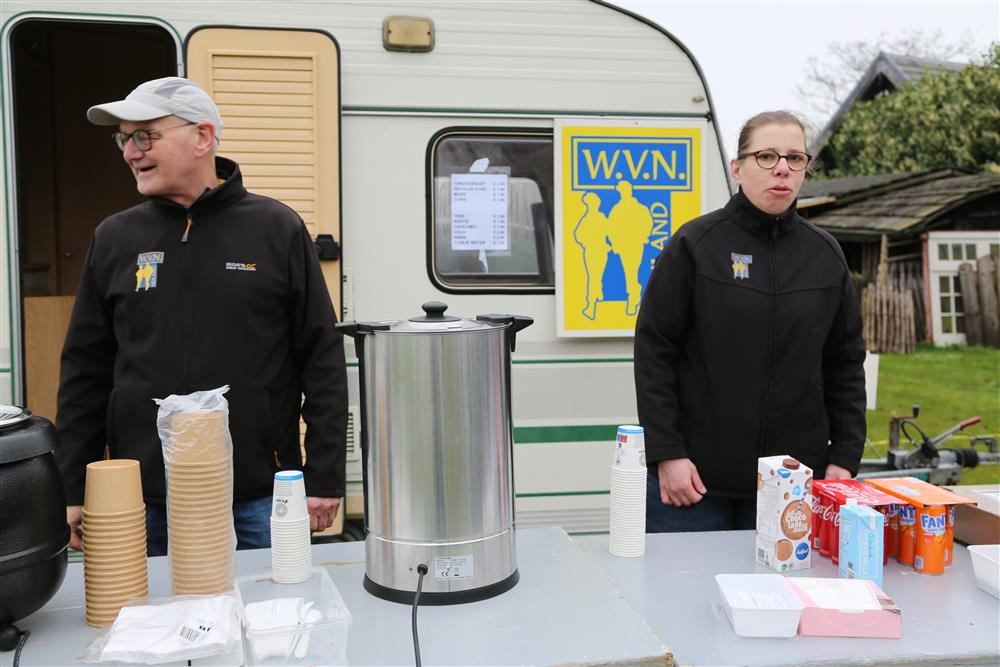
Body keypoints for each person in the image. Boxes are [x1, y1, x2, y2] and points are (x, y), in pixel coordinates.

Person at [55, 77, 348, 555]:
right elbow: (85, 370)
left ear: (203, 137)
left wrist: (324, 475)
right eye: (123, 139)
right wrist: (73, 486)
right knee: (148, 607)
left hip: (258, 495)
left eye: (144, 135)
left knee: (264, 604)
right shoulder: (115, 238)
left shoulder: (276, 228)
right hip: (141, 500)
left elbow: (322, 359)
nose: (130, 152)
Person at [634, 110, 866, 532]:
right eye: (767, 156)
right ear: (737, 168)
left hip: (793, 483)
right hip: (695, 484)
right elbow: (655, 352)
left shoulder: (825, 255)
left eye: (795, 158)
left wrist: (844, 457)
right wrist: (667, 452)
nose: (782, 168)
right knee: (683, 579)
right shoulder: (695, 245)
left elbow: (845, 364)